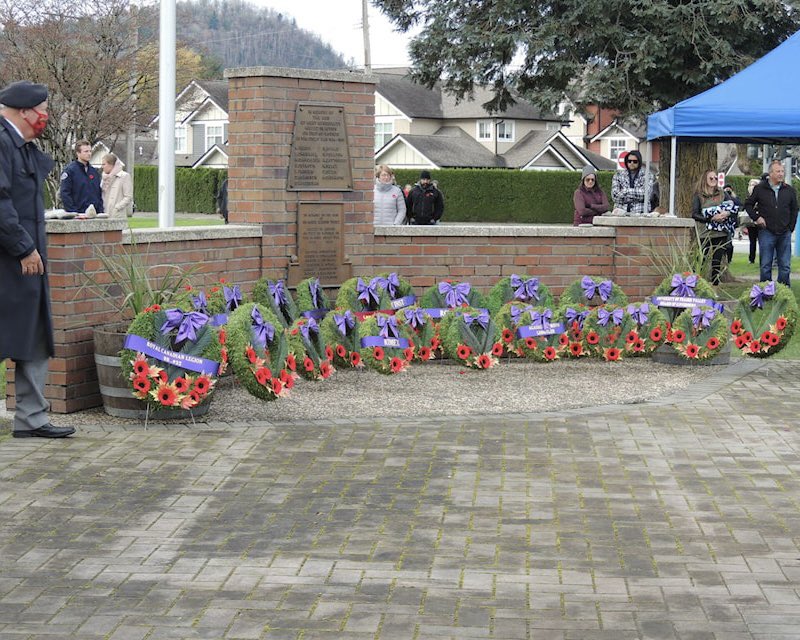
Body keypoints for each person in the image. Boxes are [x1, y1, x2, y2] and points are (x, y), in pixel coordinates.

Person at [0, 80, 75, 438]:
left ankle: (31, 419)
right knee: (7, 332)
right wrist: (24, 248)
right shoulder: (1, 142)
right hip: (10, 259)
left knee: (33, 336)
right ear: (25, 111)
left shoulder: (23, 146)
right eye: (43, 109)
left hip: (25, 261)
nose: (46, 116)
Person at [745, 160, 798, 286]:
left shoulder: (789, 190)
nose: (781, 174)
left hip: (784, 232)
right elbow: (748, 204)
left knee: (785, 266)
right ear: (770, 173)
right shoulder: (760, 189)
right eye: (778, 171)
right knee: (765, 265)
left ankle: (783, 292)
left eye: (782, 171)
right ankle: (765, 292)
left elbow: (794, 209)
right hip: (766, 231)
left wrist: (791, 227)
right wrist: (756, 218)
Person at [691, 169, 737, 285]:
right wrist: (710, 218)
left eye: (716, 178)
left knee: (717, 261)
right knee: (701, 260)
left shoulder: (722, 193)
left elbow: (732, 207)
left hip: (721, 232)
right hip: (705, 233)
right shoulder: (699, 195)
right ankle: (697, 285)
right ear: (704, 180)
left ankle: (715, 286)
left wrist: (726, 213)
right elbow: (695, 214)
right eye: (711, 178)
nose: (714, 180)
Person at [60, 139, 103, 214]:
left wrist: (100, 211)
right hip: (77, 215)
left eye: (90, 151)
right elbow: (65, 193)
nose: (89, 154)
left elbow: (98, 194)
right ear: (78, 153)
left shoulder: (94, 172)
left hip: (94, 215)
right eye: (86, 151)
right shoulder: (70, 171)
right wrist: (73, 212)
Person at [611, 150, 659, 216]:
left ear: (639, 162)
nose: (632, 163)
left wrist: (625, 191)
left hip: (640, 214)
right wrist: (637, 196)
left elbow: (646, 194)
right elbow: (615, 196)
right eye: (629, 161)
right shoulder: (618, 175)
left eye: (635, 161)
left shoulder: (648, 175)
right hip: (621, 214)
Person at [100, 153, 133, 219]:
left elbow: (128, 196)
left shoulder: (124, 176)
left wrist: (117, 208)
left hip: (117, 215)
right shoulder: (104, 177)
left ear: (111, 165)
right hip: (104, 214)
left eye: (104, 164)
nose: (102, 166)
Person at [743, 178, 761, 264]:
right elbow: (745, 208)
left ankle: (763, 259)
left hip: (760, 222)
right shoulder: (748, 197)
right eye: (751, 185)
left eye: (754, 185)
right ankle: (751, 259)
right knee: (752, 242)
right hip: (750, 223)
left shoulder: (761, 196)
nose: (752, 187)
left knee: (762, 242)